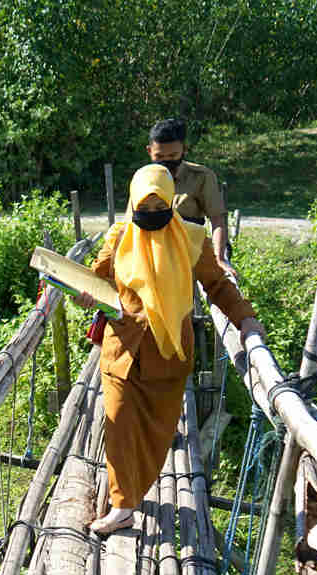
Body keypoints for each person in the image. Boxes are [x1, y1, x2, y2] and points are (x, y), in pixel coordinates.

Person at [73, 164, 264, 534]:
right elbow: (97, 280)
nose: (151, 219)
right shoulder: (119, 236)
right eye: (144, 211)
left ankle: (129, 492)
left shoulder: (192, 239)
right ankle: (123, 504)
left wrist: (246, 318)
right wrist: (85, 294)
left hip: (169, 355)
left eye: (158, 210)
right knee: (118, 426)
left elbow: (218, 286)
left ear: (170, 204)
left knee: (157, 434)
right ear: (132, 205)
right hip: (122, 350)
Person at [146, 117, 237, 280]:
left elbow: (217, 220)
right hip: (154, 250)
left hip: (192, 248)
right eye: (160, 156)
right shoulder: (143, 179)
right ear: (149, 152)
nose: (167, 161)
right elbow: (129, 223)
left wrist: (219, 258)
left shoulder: (201, 176)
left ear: (184, 150)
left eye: (173, 155)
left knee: (223, 288)